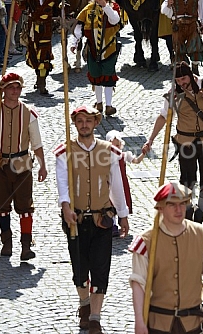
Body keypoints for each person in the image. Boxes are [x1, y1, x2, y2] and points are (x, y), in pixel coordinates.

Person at [54, 105, 129, 334]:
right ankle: (84, 303)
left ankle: (95, 317)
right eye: (80, 121)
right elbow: (62, 185)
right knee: (80, 269)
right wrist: (66, 208)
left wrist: (123, 215)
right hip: (75, 219)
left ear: (96, 123)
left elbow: (116, 185)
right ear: (75, 124)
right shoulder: (64, 152)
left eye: (88, 121)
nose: (84, 125)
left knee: (100, 269)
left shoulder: (110, 152)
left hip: (101, 219)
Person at [129, 181, 203, 334]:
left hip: (193, 324)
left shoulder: (201, 235)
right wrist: (139, 320)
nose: (179, 209)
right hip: (158, 324)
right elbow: (138, 283)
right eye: (172, 205)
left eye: (183, 204)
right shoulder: (146, 241)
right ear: (160, 208)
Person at [142, 61, 203, 223]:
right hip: (185, 141)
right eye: (178, 80)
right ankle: (189, 210)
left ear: (190, 76)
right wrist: (150, 139)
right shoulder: (173, 95)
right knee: (187, 179)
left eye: (184, 79)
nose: (182, 83)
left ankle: (200, 213)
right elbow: (163, 117)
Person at [0, 72, 47, 260]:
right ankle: (7, 241)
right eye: (11, 87)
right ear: (3, 90)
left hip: (22, 164)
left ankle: (26, 245)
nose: (15, 91)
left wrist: (42, 165)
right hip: (0, 164)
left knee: (25, 205)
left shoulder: (29, 113)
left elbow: (37, 142)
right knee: (2, 205)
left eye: (18, 87)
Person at [71, 0, 121, 115]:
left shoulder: (114, 7)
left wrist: (105, 6)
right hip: (92, 48)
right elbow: (79, 27)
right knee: (95, 75)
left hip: (109, 48)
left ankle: (109, 105)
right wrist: (74, 42)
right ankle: (99, 103)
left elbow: (115, 20)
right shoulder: (88, 9)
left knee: (108, 76)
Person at [19, 0, 61, 94]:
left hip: (47, 26)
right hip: (32, 26)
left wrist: (62, 10)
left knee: (44, 53)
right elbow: (23, 5)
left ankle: (42, 82)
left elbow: (58, 9)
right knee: (33, 52)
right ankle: (38, 77)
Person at [158, 0, 181, 66]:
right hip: (167, 12)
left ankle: (180, 56)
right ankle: (172, 56)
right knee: (169, 36)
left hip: (180, 11)